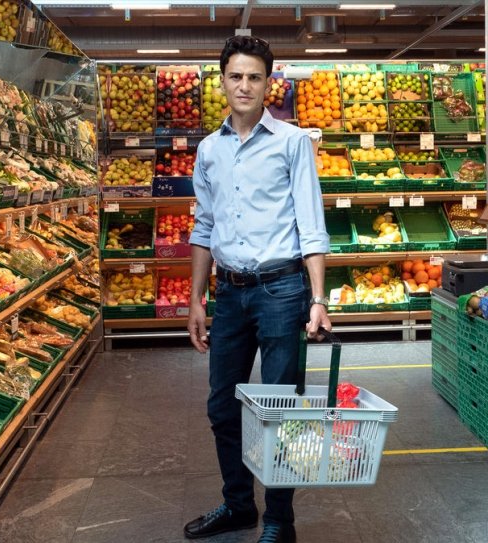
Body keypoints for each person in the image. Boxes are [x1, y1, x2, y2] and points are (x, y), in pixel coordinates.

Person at [184, 35, 331, 543]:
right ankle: (238, 505)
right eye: (235, 76)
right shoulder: (208, 150)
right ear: (222, 82)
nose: (244, 85)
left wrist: (317, 299)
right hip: (229, 294)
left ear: (269, 84)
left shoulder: (292, 143)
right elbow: (203, 228)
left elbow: (311, 226)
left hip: (282, 291)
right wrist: (196, 300)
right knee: (222, 406)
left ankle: (279, 520)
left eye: (254, 76)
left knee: (281, 409)